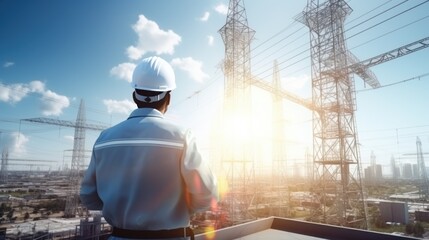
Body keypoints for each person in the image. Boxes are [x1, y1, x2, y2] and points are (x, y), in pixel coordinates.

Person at [80, 56, 218, 240]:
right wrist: (180, 210)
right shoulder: (182, 137)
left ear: (133, 96)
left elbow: (89, 196)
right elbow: (206, 193)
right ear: (168, 98)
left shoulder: (104, 139)